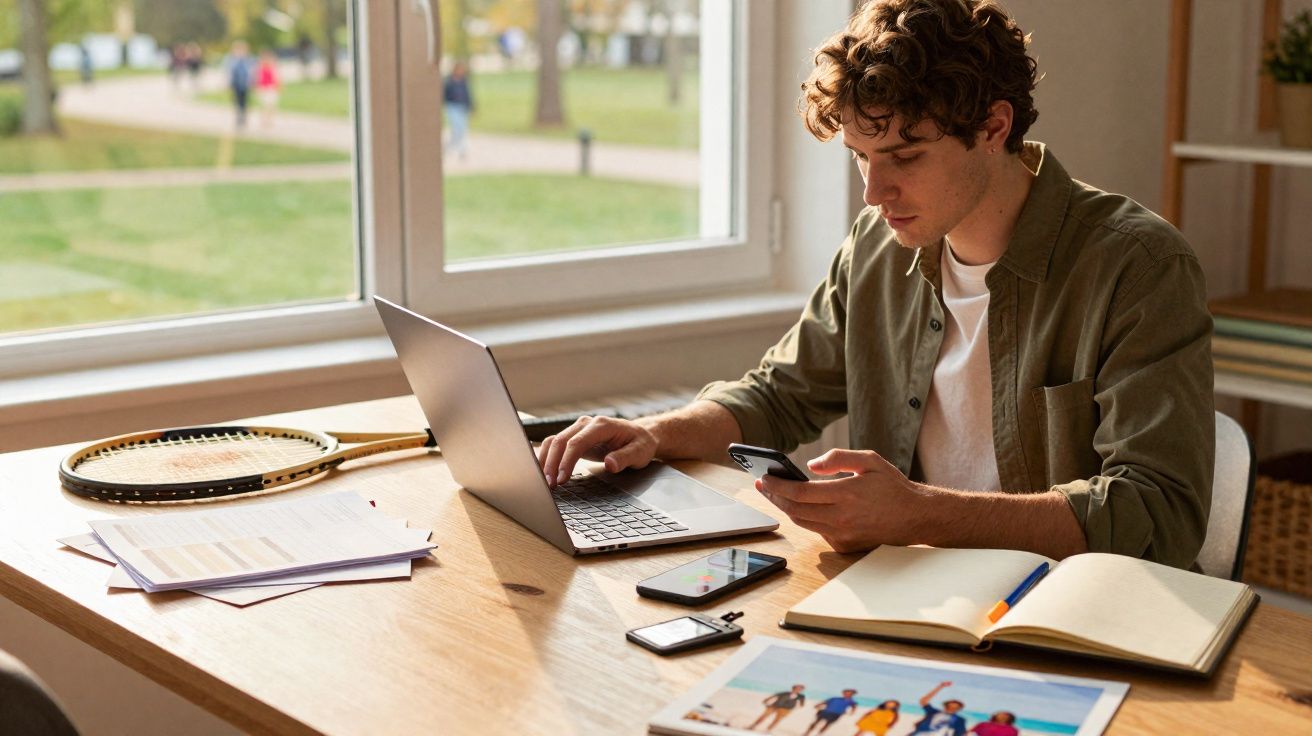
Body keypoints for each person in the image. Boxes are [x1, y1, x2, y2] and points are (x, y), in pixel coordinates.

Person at [536, 0, 1214, 569]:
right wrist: (654, 434)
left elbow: (1159, 512)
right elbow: (779, 394)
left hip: (1065, 615)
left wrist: (918, 513)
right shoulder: (878, 246)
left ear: (993, 127)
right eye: (860, 156)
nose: (873, 192)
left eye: (904, 157)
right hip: (907, 590)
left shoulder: (1138, 266)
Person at [443, 62, 474, 160]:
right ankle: (449, 147)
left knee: (463, 129)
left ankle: (462, 150)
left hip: (463, 107)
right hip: (453, 107)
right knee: (456, 129)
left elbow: (468, 94)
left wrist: (471, 107)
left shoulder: (464, 81)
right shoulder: (449, 82)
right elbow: (444, 95)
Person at [227, 41, 254, 130]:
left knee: (244, 103)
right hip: (236, 85)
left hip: (245, 85)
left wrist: (251, 82)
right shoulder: (233, 60)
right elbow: (230, 73)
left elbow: (251, 73)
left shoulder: (248, 60)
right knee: (237, 102)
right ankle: (238, 118)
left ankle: (243, 118)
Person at [256, 49, 281, 129]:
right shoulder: (261, 68)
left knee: (271, 105)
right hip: (264, 89)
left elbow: (276, 78)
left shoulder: (273, 68)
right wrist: (259, 88)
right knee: (265, 105)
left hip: (271, 88)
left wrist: (277, 87)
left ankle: (270, 120)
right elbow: (259, 79)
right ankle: (264, 120)